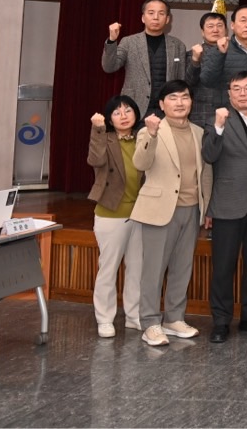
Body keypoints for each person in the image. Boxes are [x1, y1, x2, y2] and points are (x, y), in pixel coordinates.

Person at [131, 80, 211, 347]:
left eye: (184, 97)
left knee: (182, 268)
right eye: (173, 98)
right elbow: (140, 163)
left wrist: (206, 206)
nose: (180, 102)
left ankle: (174, 318)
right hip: (160, 210)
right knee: (153, 270)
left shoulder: (199, 132)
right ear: (162, 104)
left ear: (191, 102)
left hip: (192, 208)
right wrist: (152, 136)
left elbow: (205, 173)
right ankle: (150, 323)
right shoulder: (150, 131)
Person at [201, 71, 247, 342]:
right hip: (228, 203)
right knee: (223, 266)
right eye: (237, 89)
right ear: (229, 94)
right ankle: (221, 321)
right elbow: (209, 155)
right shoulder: (217, 120)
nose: (243, 93)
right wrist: (219, 127)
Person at [87, 95, 145, 338]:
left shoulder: (143, 137)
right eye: (117, 112)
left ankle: (134, 316)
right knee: (108, 269)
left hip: (141, 213)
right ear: (109, 119)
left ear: (136, 114)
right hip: (111, 212)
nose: (123, 116)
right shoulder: (105, 138)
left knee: (137, 268)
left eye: (128, 110)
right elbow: (95, 159)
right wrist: (97, 129)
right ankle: (104, 319)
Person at [101, 0, 187, 118]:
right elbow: (109, 67)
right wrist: (112, 40)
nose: (155, 17)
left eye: (161, 13)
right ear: (143, 18)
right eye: (151, 13)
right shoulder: (129, 42)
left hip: (167, 110)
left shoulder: (178, 45)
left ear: (167, 19)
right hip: (135, 108)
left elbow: (181, 81)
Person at [201, 5, 247, 110]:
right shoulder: (219, 49)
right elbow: (207, 81)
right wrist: (220, 54)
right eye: (243, 20)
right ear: (232, 25)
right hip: (227, 112)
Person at [184, 11, 229, 130]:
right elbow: (188, 83)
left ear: (226, 30)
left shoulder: (234, 53)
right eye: (210, 26)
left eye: (219, 26)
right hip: (201, 114)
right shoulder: (192, 54)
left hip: (229, 112)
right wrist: (195, 61)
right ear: (202, 32)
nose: (215, 30)